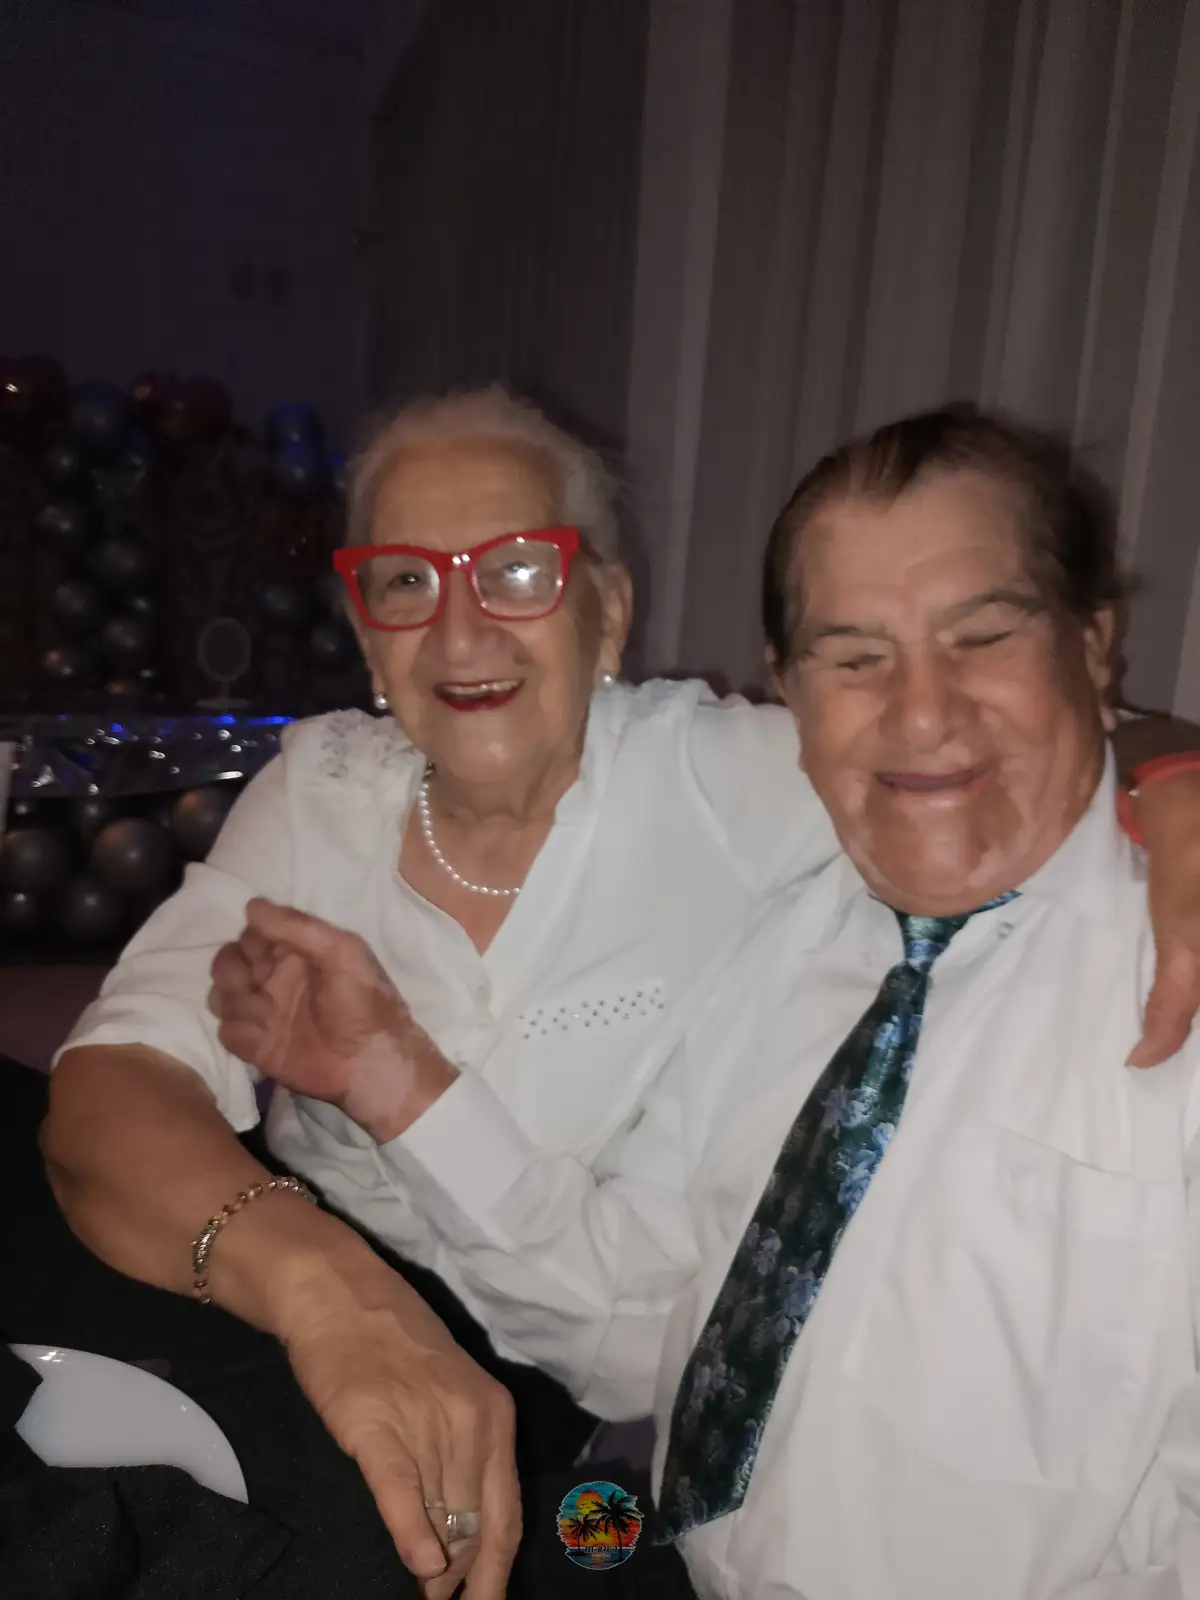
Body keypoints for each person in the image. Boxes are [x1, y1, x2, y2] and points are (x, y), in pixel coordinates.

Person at [42, 392, 1200, 1598]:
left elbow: (993, 748)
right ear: (367, 633)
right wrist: (349, 1240)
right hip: (321, 1306)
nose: (461, 631)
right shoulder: (331, 793)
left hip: (564, 1412)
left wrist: (1175, 774)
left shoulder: (738, 786)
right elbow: (116, 1082)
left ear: (609, 610)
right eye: (407, 582)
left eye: (519, 570)